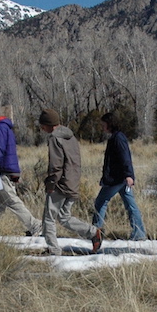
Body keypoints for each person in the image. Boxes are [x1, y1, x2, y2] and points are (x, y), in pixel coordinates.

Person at [38, 109, 103, 255]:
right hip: (73, 182)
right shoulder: (71, 137)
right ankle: (93, 233)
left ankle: (54, 250)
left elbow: (56, 165)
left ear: (49, 124)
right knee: (64, 217)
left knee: (48, 218)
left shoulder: (54, 138)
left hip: (60, 184)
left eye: (43, 125)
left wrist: (51, 183)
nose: (42, 128)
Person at [0, 105, 39, 236]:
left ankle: (35, 225)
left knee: (11, 200)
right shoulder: (4, 127)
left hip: (3, 170)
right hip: (6, 168)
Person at [92, 112, 146, 240]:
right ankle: (139, 233)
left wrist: (129, 175)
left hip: (116, 179)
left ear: (110, 124)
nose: (102, 126)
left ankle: (95, 232)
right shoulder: (116, 137)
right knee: (130, 205)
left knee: (100, 202)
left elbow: (125, 157)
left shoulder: (118, 138)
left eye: (103, 124)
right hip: (120, 179)